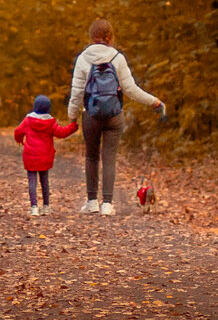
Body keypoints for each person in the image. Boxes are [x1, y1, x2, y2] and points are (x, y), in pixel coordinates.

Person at [67, 18, 165, 216]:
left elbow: (77, 92)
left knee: (91, 157)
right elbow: (130, 89)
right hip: (114, 115)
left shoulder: (83, 59)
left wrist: (72, 117)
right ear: (110, 37)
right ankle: (107, 204)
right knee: (109, 158)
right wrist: (154, 101)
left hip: (90, 115)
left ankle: (92, 201)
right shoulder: (117, 58)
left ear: (91, 37)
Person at [13, 94, 79, 216]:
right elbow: (61, 133)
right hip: (45, 157)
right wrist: (73, 126)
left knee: (32, 182)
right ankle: (46, 206)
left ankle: (34, 207)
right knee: (45, 181)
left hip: (30, 156)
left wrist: (19, 139)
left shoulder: (28, 121)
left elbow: (18, 131)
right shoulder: (50, 122)